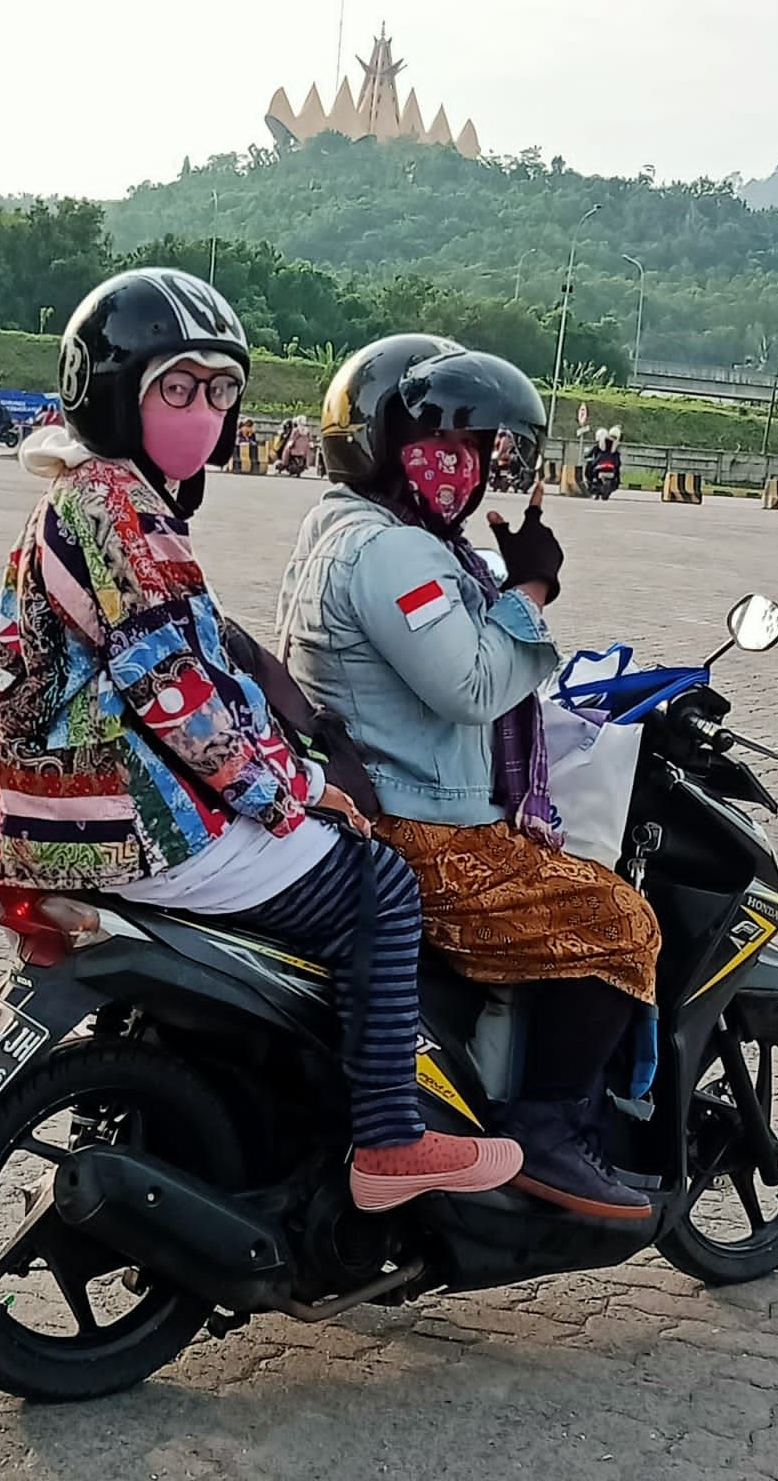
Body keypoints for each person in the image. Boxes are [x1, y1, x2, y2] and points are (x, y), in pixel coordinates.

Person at [0, 270, 521, 1214]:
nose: (203, 412)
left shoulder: (86, 494)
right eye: (177, 389)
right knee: (378, 883)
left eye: (219, 391)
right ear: (114, 393)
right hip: (118, 822)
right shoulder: (119, 509)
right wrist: (288, 793)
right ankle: (389, 1139)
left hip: (55, 813)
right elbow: (176, 691)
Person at [278, 335, 663, 1220]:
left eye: (475, 451)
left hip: (384, 802)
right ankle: (550, 1136)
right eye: (441, 450)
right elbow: (474, 683)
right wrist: (530, 592)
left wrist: (507, 576)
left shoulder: (354, 527)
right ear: (380, 445)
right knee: (620, 919)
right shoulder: (392, 553)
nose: (464, 469)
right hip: (428, 832)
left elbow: (460, 620)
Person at [585, 425, 622, 498]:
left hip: (601, 464)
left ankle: (592, 484)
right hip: (610, 465)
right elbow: (618, 463)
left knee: (590, 470)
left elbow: (590, 456)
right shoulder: (615, 447)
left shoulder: (599, 447)